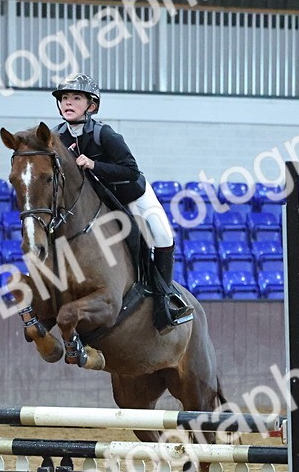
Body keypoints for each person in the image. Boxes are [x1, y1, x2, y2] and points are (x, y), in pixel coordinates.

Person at [51, 73, 193, 330]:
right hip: (97, 202)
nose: (67, 103)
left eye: (75, 97)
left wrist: (94, 164)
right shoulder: (56, 136)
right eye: (64, 98)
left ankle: (164, 301)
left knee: (163, 236)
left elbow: (130, 170)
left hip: (130, 194)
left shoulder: (105, 134)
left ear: (91, 106)